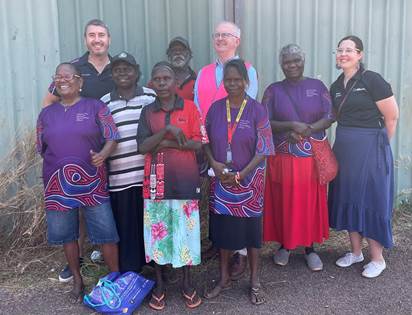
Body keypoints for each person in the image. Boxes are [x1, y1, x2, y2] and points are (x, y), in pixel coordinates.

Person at [36, 62, 120, 302]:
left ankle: (114, 280)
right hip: (57, 184)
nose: (62, 80)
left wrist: (103, 154)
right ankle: (77, 280)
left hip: (93, 183)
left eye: (68, 76)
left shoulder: (96, 106)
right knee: (67, 235)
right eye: (58, 76)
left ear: (80, 82)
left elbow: (112, 136)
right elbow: (41, 148)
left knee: (106, 232)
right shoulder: (46, 114)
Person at [42, 18, 114, 283]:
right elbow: (49, 100)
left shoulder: (118, 67)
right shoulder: (74, 68)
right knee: (77, 203)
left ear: (109, 39)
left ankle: (107, 255)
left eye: (102, 35)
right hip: (79, 153)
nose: (97, 39)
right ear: (86, 39)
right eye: (92, 35)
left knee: (105, 204)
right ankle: (79, 257)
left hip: (111, 147)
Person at [203, 59, 274, 305]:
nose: (232, 84)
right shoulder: (214, 109)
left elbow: (264, 149)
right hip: (221, 181)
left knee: (252, 236)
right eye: (228, 80)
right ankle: (223, 278)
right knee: (223, 233)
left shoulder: (257, 110)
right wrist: (213, 163)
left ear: (246, 81)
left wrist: (242, 174)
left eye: (237, 80)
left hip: (250, 182)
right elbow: (205, 142)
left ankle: (255, 281)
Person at [137, 62, 206, 310]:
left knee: (185, 234)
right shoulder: (148, 112)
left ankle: (187, 284)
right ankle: (160, 285)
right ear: (152, 83)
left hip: (185, 181)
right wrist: (167, 130)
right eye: (158, 79)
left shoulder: (190, 107)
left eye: (167, 78)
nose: (163, 83)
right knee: (157, 237)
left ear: (175, 83)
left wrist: (164, 145)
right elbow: (142, 147)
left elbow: (198, 143)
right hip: (155, 184)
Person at [329, 35, 399, 278]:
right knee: (348, 195)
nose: (343, 54)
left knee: (370, 199)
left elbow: (392, 117)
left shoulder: (372, 80)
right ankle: (356, 252)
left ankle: (377, 259)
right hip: (345, 149)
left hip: (371, 147)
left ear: (360, 54)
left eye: (349, 50)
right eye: (340, 50)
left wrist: (379, 146)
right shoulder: (337, 85)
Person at [194, 20, 258, 277]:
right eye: (217, 35)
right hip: (211, 144)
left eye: (226, 35)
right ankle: (218, 243)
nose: (220, 39)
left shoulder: (249, 70)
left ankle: (240, 252)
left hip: (239, 145)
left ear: (237, 41)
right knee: (216, 195)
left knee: (239, 195)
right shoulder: (204, 72)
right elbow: (199, 106)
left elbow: (248, 104)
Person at [262, 44, 333, 271]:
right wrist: (290, 126)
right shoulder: (273, 90)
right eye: (287, 62)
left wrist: (307, 129)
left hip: (310, 158)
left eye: (296, 61)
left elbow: (330, 115)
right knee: (285, 201)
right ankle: (285, 245)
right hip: (283, 158)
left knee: (309, 202)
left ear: (303, 62)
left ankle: (310, 248)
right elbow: (264, 121)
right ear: (281, 65)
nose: (291, 65)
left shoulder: (317, 86)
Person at [101, 52, 156, 273]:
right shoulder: (104, 102)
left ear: (137, 71)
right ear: (112, 74)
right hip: (120, 178)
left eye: (128, 68)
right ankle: (131, 272)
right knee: (126, 227)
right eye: (117, 69)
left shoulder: (150, 97)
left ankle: (156, 268)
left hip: (148, 176)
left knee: (151, 225)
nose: (123, 72)